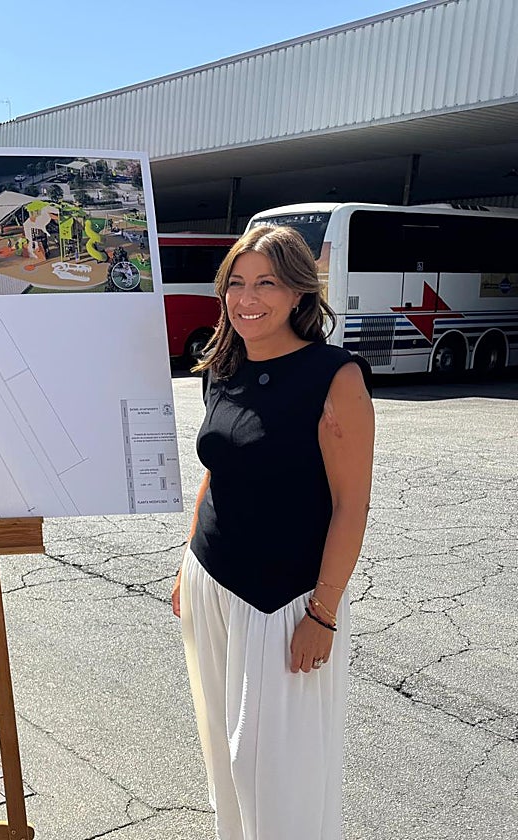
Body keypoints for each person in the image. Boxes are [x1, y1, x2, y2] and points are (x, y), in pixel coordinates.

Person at [171, 225, 375, 840]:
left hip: (284, 601)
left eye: (266, 282)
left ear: (297, 293)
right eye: (236, 282)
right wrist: (186, 560)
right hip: (212, 581)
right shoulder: (222, 365)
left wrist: (325, 612)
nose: (246, 297)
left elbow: (352, 506)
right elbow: (217, 469)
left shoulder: (334, 376)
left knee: (274, 770)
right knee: (222, 760)